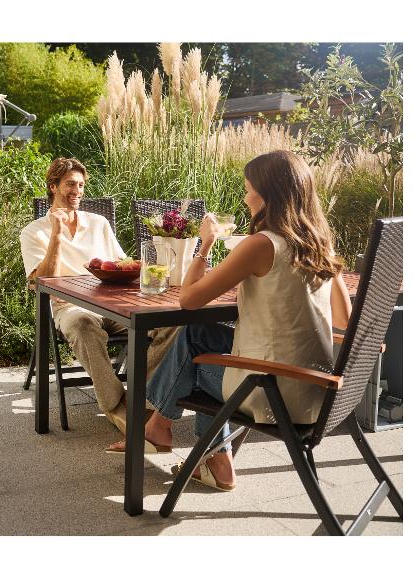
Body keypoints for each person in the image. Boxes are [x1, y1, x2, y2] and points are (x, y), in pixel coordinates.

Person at [106, 150, 352, 491]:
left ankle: (160, 430)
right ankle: (202, 454)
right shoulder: (319, 245)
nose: (245, 196)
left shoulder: (260, 245)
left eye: (249, 188)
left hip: (275, 393)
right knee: (201, 334)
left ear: (270, 195)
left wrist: (204, 245)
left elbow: (189, 299)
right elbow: (344, 318)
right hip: (318, 388)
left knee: (194, 353)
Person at [20, 157, 177, 436]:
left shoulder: (99, 223)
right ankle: (117, 407)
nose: (77, 191)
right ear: (53, 187)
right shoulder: (34, 232)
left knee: (172, 323)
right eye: (70, 184)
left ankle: (141, 398)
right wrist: (56, 233)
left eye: (81, 185)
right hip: (70, 306)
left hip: (112, 303)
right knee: (83, 326)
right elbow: (41, 281)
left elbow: (120, 263)